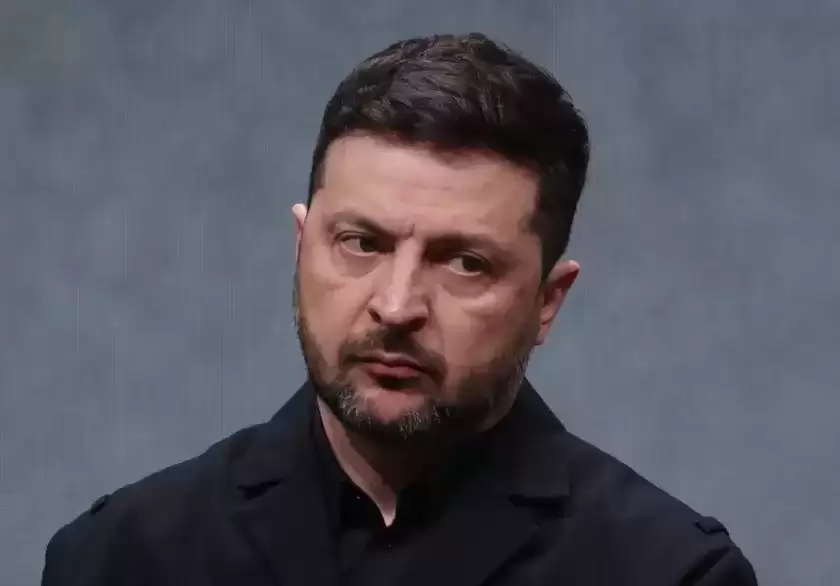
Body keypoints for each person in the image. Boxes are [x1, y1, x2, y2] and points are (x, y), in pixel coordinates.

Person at [41, 32, 757, 586]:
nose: (395, 305)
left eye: (465, 262)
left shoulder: (668, 572)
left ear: (548, 301)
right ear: (302, 246)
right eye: (362, 243)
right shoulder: (120, 558)